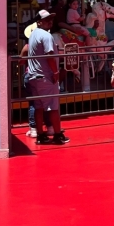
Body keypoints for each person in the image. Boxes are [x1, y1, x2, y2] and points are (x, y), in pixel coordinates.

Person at [26, 9, 69, 145]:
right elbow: (49, 55)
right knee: (53, 107)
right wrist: (56, 72)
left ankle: (41, 135)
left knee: (39, 107)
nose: (49, 22)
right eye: (46, 20)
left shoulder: (33, 34)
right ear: (39, 22)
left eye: (50, 19)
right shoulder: (46, 36)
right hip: (45, 76)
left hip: (34, 76)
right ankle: (57, 134)